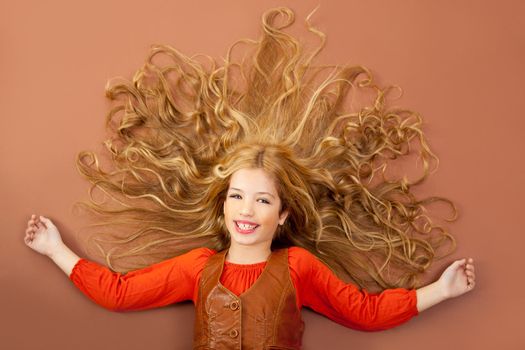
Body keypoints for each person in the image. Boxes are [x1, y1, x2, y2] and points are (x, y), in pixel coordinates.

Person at [23, 7, 475, 349]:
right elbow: (119, 294)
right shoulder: (197, 268)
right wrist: (54, 249)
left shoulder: (298, 268)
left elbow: (365, 312)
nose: (246, 209)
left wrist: (442, 290)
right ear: (223, 205)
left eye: (262, 201)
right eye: (237, 196)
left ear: (282, 215)